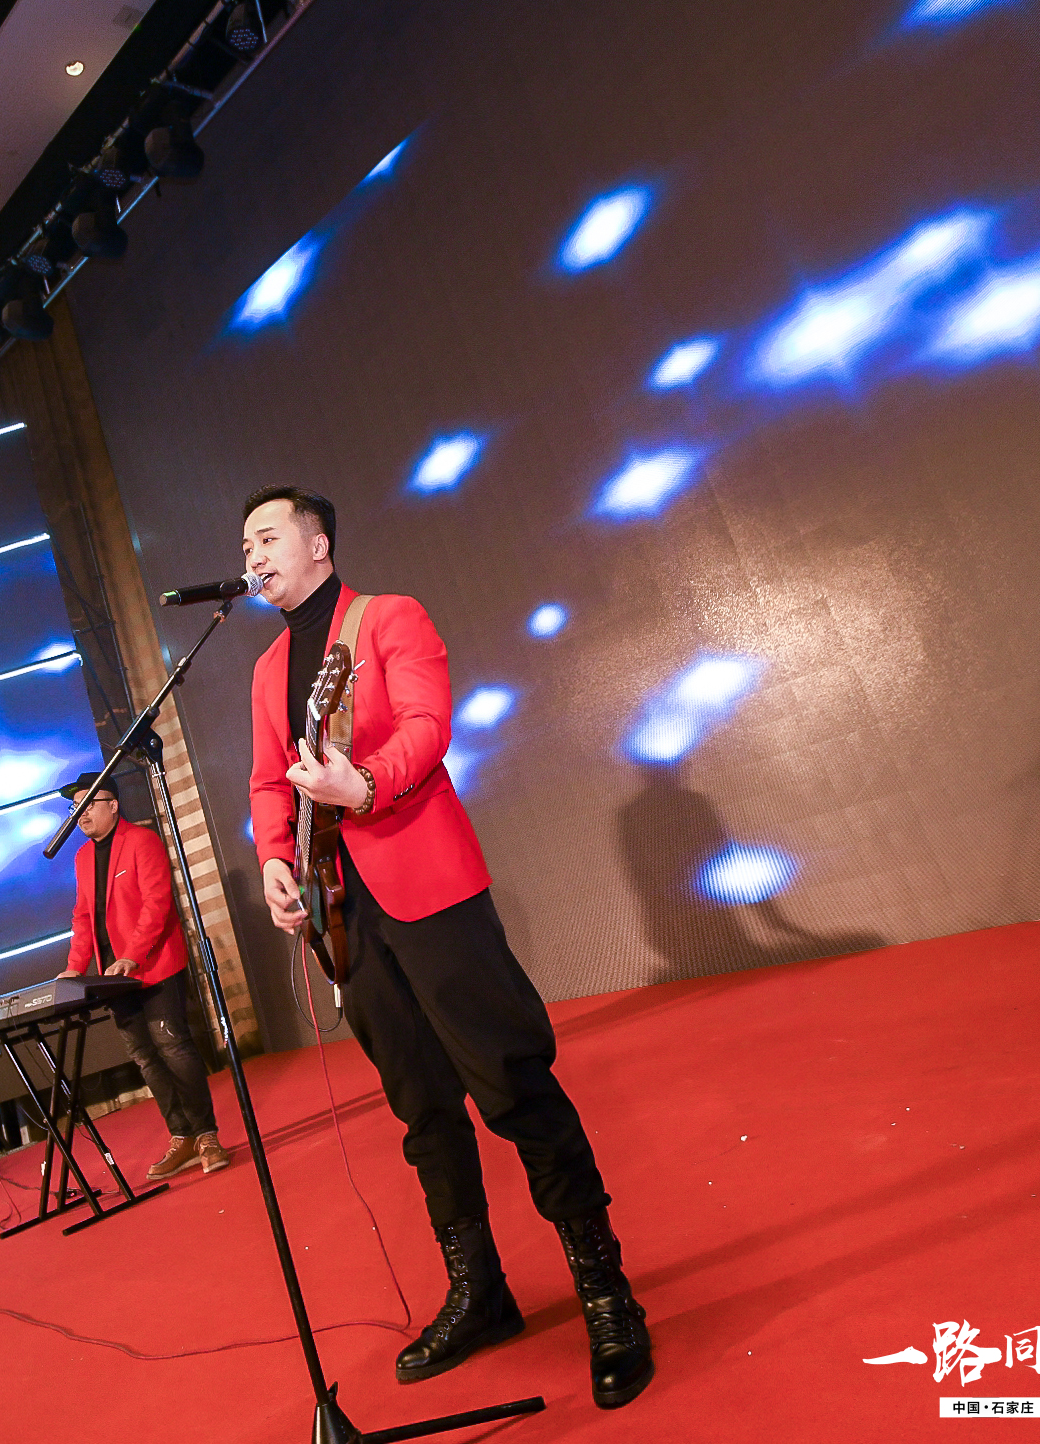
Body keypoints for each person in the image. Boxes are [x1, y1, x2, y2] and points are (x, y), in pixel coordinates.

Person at [243, 486, 653, 1409]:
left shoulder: (389, 617)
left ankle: (605, 1289)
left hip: (427, 884)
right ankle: (482, 1293)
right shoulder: (267, 670)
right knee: (421, 1106)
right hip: (343, 911)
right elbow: (271, 781)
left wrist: (364, 785)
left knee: (511, 1078)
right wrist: (273, 859)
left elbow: (428, 729)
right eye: (245, 546)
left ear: (318, 543)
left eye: (267, 537)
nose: (253, 555)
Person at [56, 772, 231, 1180]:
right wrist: (75, 966)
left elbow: (157, 903)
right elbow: (83, 917)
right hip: (113, 978)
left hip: (154, 965)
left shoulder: (141, 841)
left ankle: (207, 1136)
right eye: (75, 807)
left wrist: (132, 956)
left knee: (173, 1046)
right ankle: (181, 1136)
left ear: (113, 805)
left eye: (88, 804)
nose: (80, 814)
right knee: (145, 1057)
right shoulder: (82, 858)